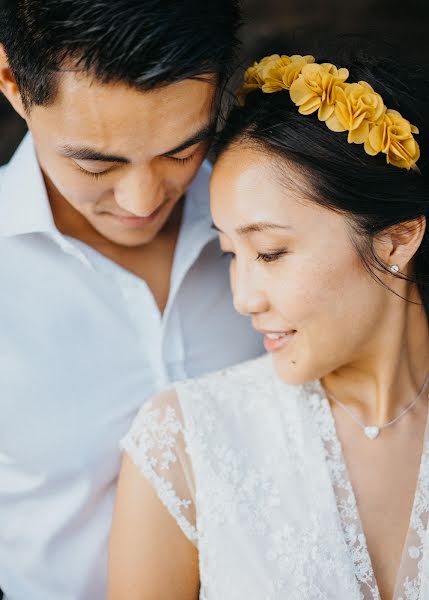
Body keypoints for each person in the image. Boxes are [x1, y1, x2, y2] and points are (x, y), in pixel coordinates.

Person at [110, 49, 429, 599]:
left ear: (397, 238)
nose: (243, 299)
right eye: (230, 253)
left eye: (271, 252)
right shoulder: (187, 441)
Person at [0, 1, 264, 599]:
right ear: (13, 82)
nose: (143, 200)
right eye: (96, 163)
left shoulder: (276, 231)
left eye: (180, 151)